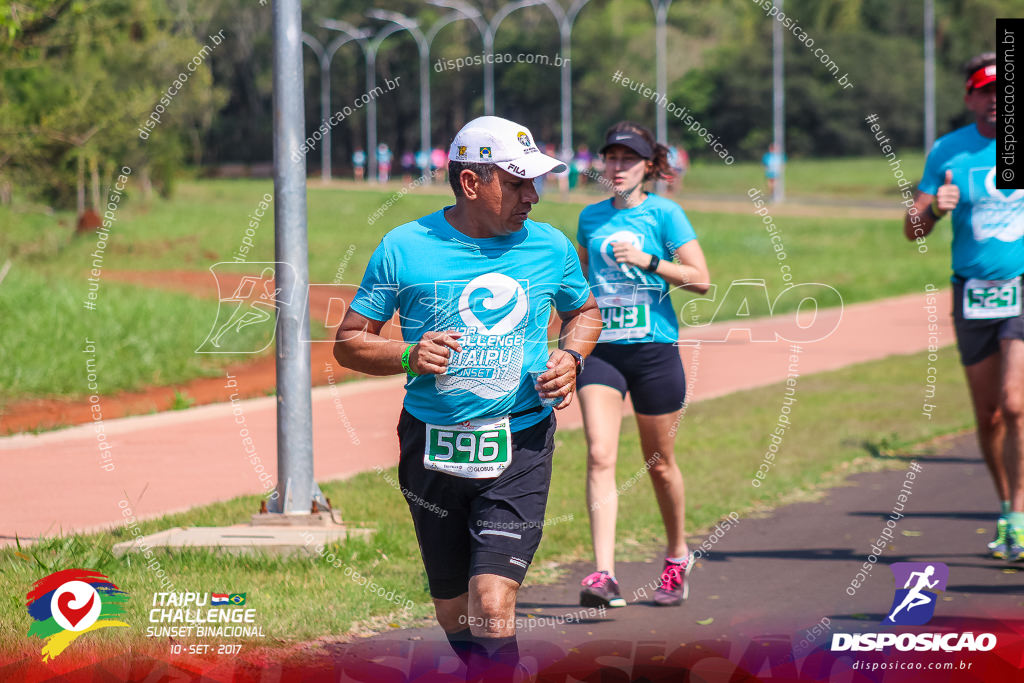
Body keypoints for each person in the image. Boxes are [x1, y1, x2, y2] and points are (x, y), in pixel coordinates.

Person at [334, 115, 603, 680]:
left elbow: (584, 311)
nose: (532, 195)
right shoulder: (404, 247)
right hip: (431, 445)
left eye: (535, 182)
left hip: (520, 441)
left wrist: (571, 358)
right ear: (471, 182)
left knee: (492, 601)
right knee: (455, 607)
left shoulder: (550, 247)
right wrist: (408, 355)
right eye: (518, 181)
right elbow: (350, 342)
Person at [574, 121, 711, 608]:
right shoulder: (590, 218)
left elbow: (701, 280)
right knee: (599, 454)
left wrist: (650, 261)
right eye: (610, 158)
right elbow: (582, 286)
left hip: (654, 352)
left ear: (648, 167)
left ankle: (677, 556)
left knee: (660, 465)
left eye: (627, 160)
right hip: (603, 352)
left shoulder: (666, 214)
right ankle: (603, 574)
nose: (616, 167)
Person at [904, 52, 1024, 562]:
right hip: (971, 292)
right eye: (984, 90)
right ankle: (1004, 509)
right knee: (990, 413)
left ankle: (1020, 516)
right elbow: (912, 228)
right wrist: (934, 208)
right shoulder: (947, 151)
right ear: (970, 97)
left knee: (1016, 403)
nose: (995, 100)